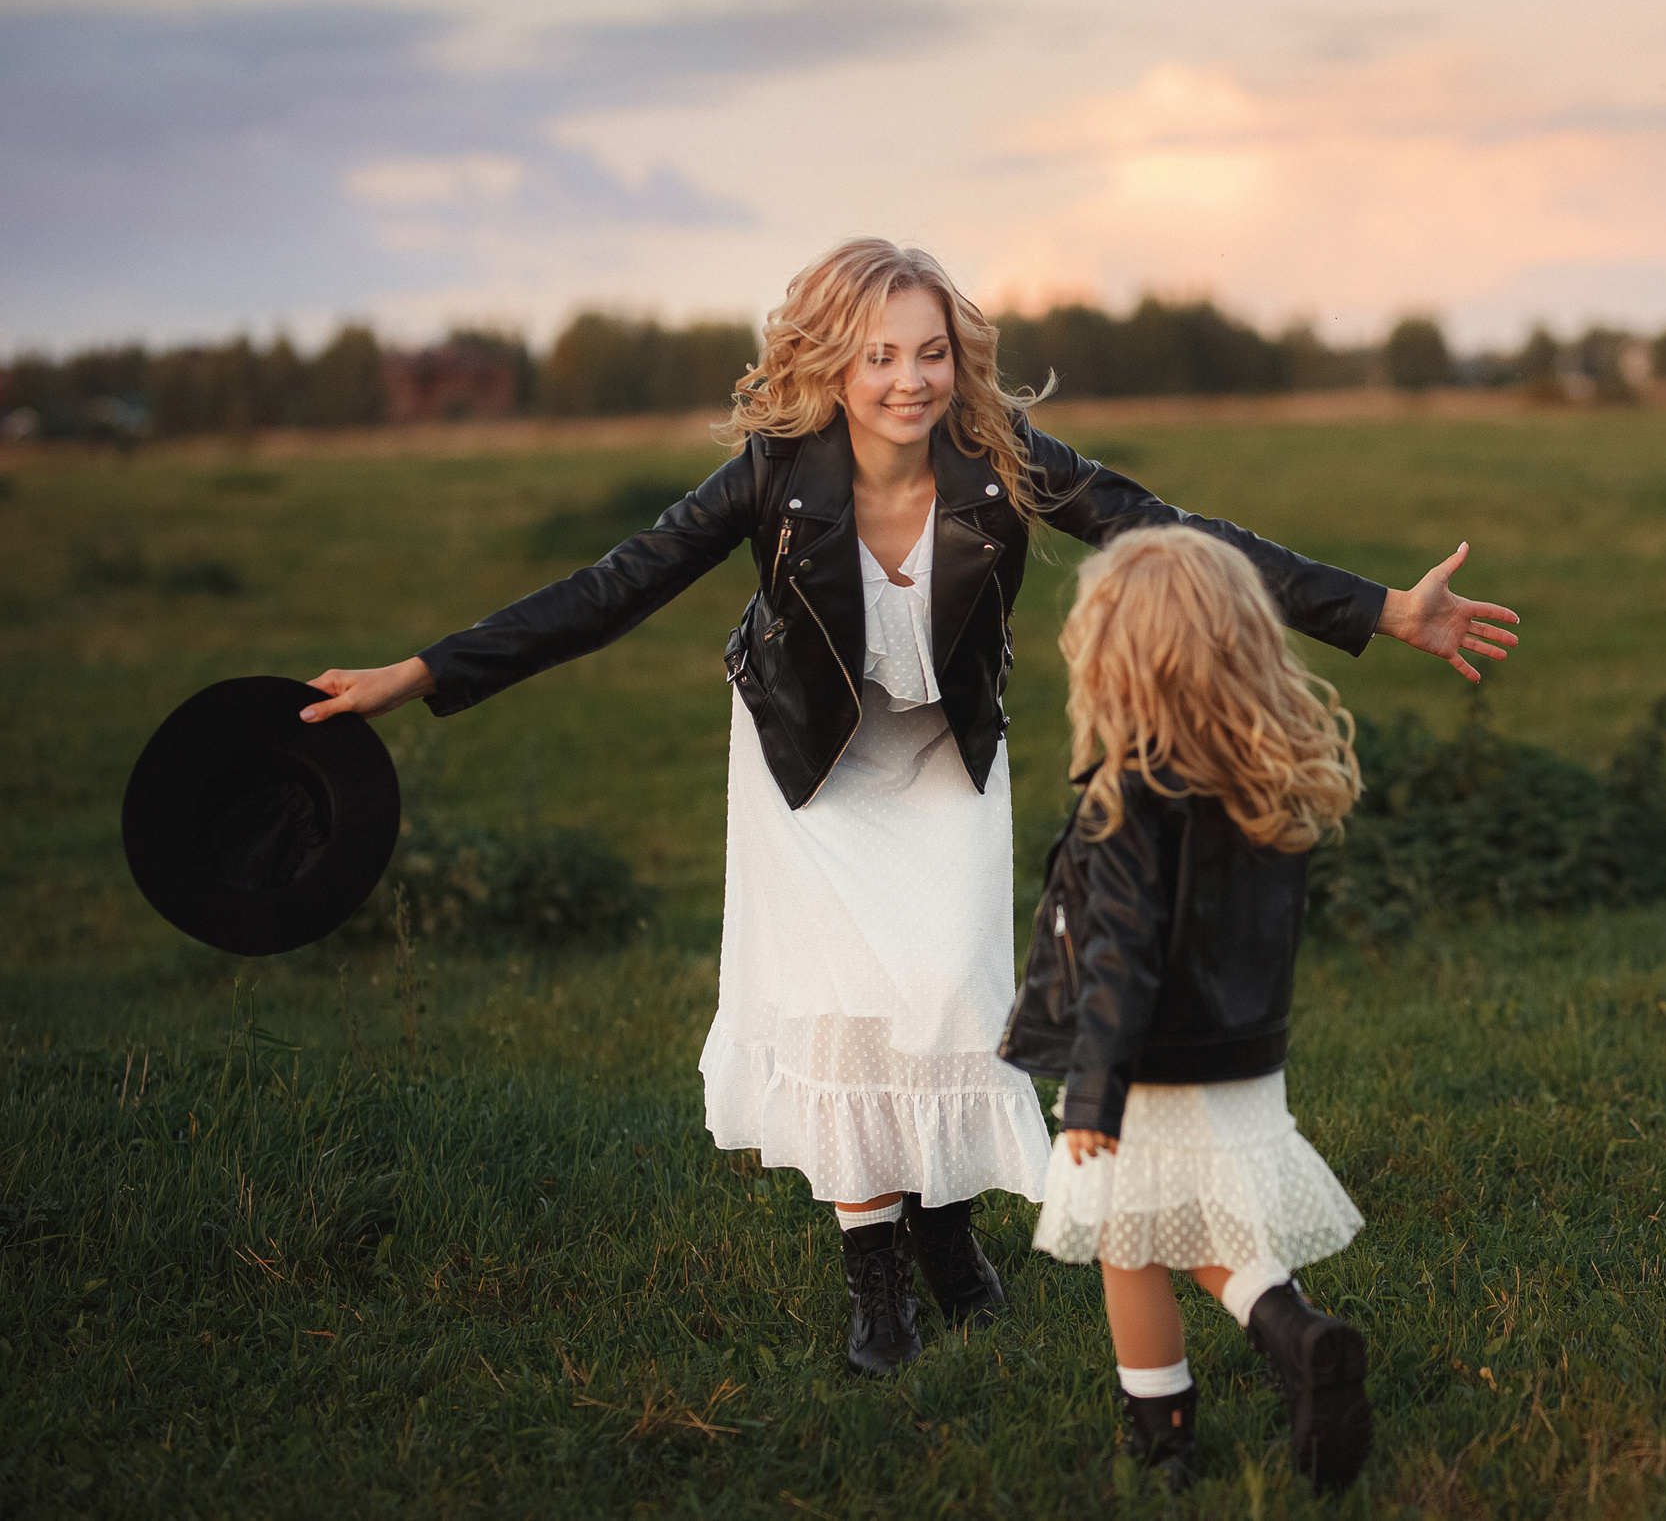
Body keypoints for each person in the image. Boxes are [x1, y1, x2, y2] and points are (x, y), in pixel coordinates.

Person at [300, 238, 1518, 1378]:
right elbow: (612, 588)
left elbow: (1170, 536)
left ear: (959, 356)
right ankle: (876, 1274)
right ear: (831, 362)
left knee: (946, 997)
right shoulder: (774, 475)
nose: (909, 378)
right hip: (808, 765)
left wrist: (1378, 611)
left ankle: (942, 1224)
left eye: (930, 350)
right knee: (843, 1013)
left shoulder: (1002, 457)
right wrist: (425, 671)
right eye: (880, 354)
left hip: (942, 754)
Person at [998, 525, 1375, 1494]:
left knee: (1132, 1248)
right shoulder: (1259, 780)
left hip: (1145, 1069)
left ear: (1118, 665)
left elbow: (1118, 961)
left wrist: (1092, 1094)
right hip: (1244, 1055)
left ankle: (1163, 1441)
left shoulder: (1124, 801)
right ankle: (1294, 1332)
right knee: (1212, 1235)